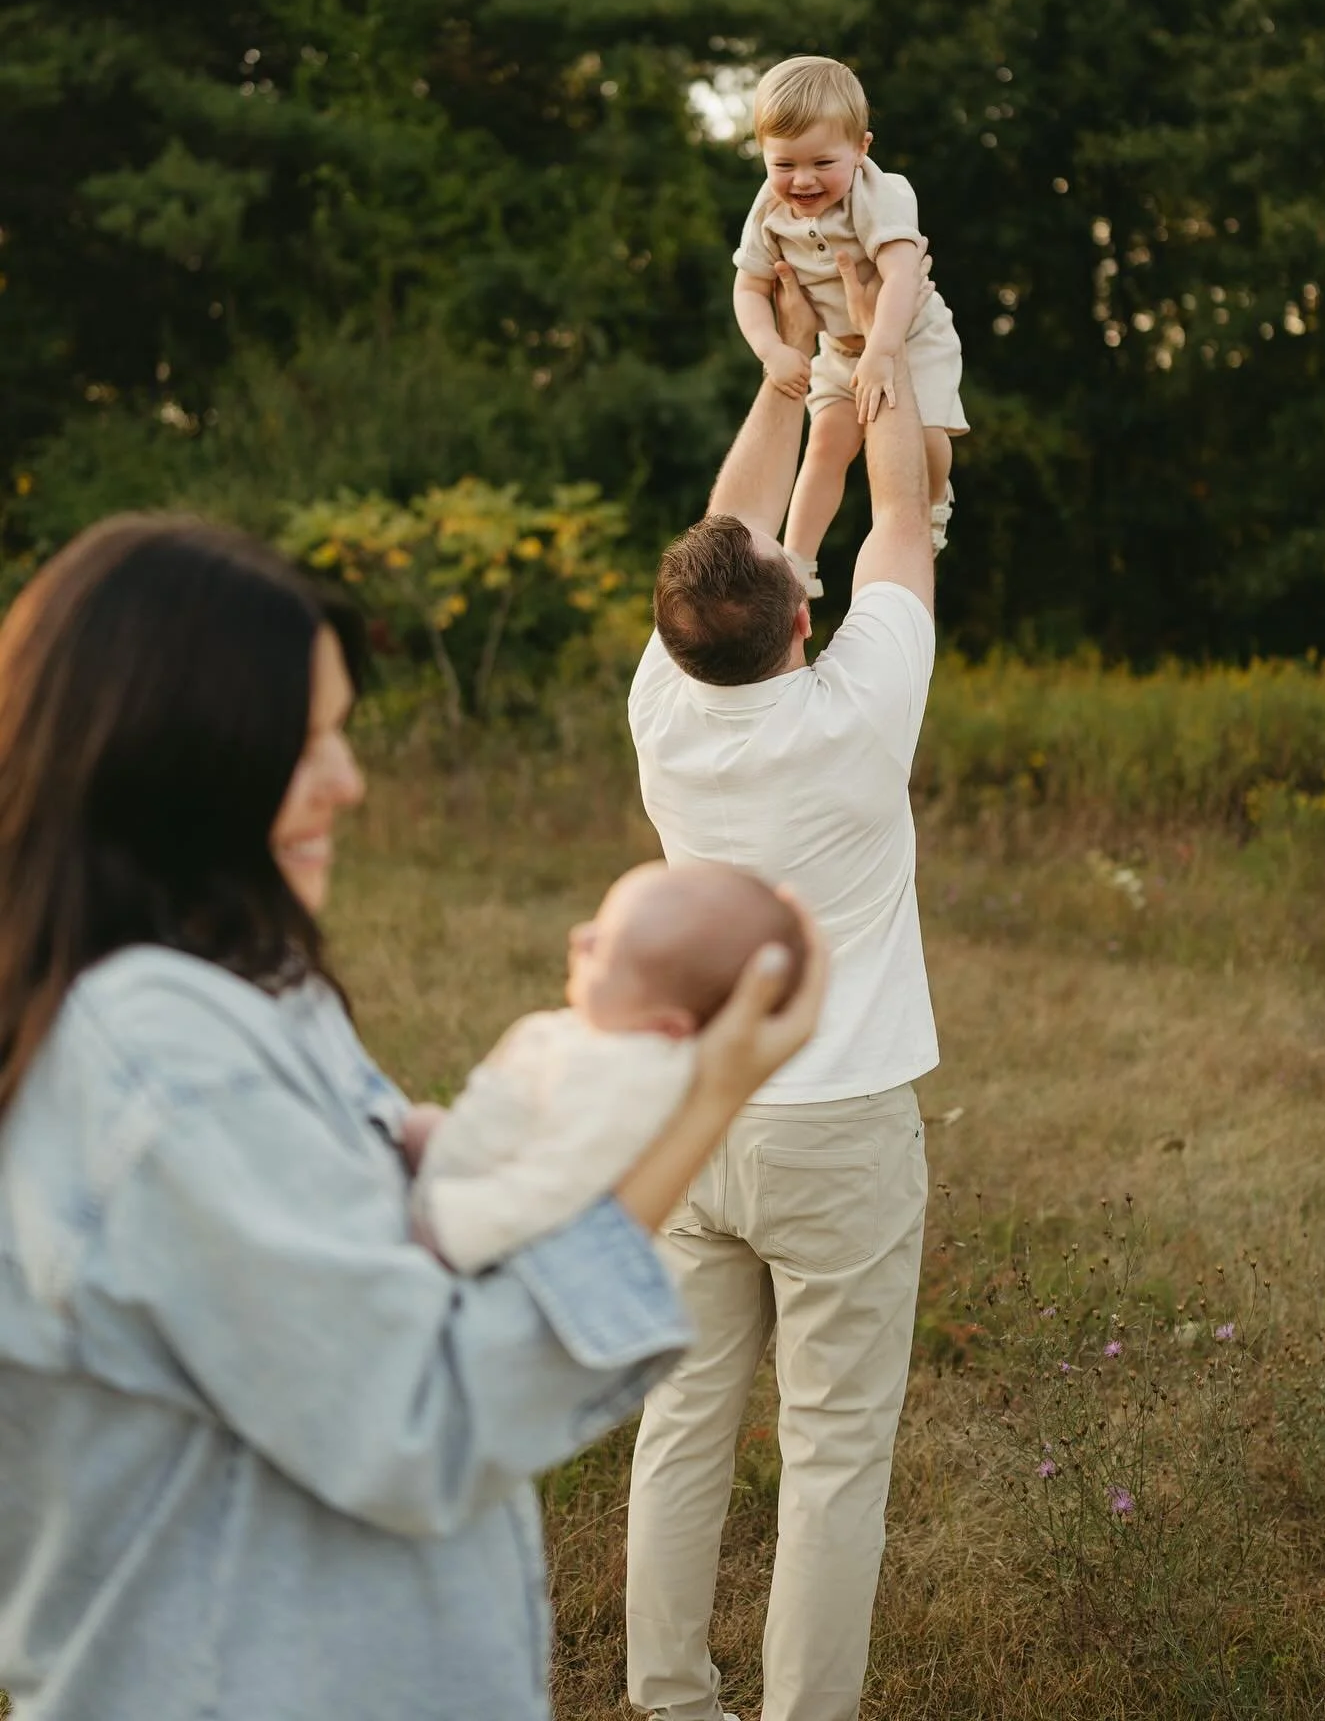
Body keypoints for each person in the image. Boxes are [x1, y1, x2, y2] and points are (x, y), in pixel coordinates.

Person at [0, 516, 826, 1721]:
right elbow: (423, 1413)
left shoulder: (250, 993)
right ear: (178, 761)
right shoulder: (157, 1057)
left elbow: (421, 1250)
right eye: (308, 743)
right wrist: (701, 1100)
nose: (350, 781)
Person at [625, 251, 939, 1721]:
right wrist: (892, 320)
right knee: (831, 1452)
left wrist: (791, 368)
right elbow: (904, 513)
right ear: (796, 618)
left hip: (695, 1116)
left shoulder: (662, 706)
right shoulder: (861, 703)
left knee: (681, 1418)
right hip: (839, 1123)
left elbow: (750, 523)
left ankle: (669, 1699)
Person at [408, 861, 806, 1273]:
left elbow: (554, 1186)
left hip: (469, 1222)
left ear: (665, 1025)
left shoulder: (625, 1085)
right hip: (468, 1162)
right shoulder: (610, 1033)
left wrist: (446, 1229)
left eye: (601, 949)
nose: (579, 937)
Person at [730, 53, 967, 597]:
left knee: (926, 434)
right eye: (784, 164)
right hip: (838, 348)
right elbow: (748, 286)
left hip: (910, 336)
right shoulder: (768, 209)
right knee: (827, 444)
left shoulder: (880, 193)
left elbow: (901, 273)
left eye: (821, 162)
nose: (803, 180)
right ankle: (797, 561)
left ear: (862, 148)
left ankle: (932, 502)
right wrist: (772, 348)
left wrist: (884, 351)